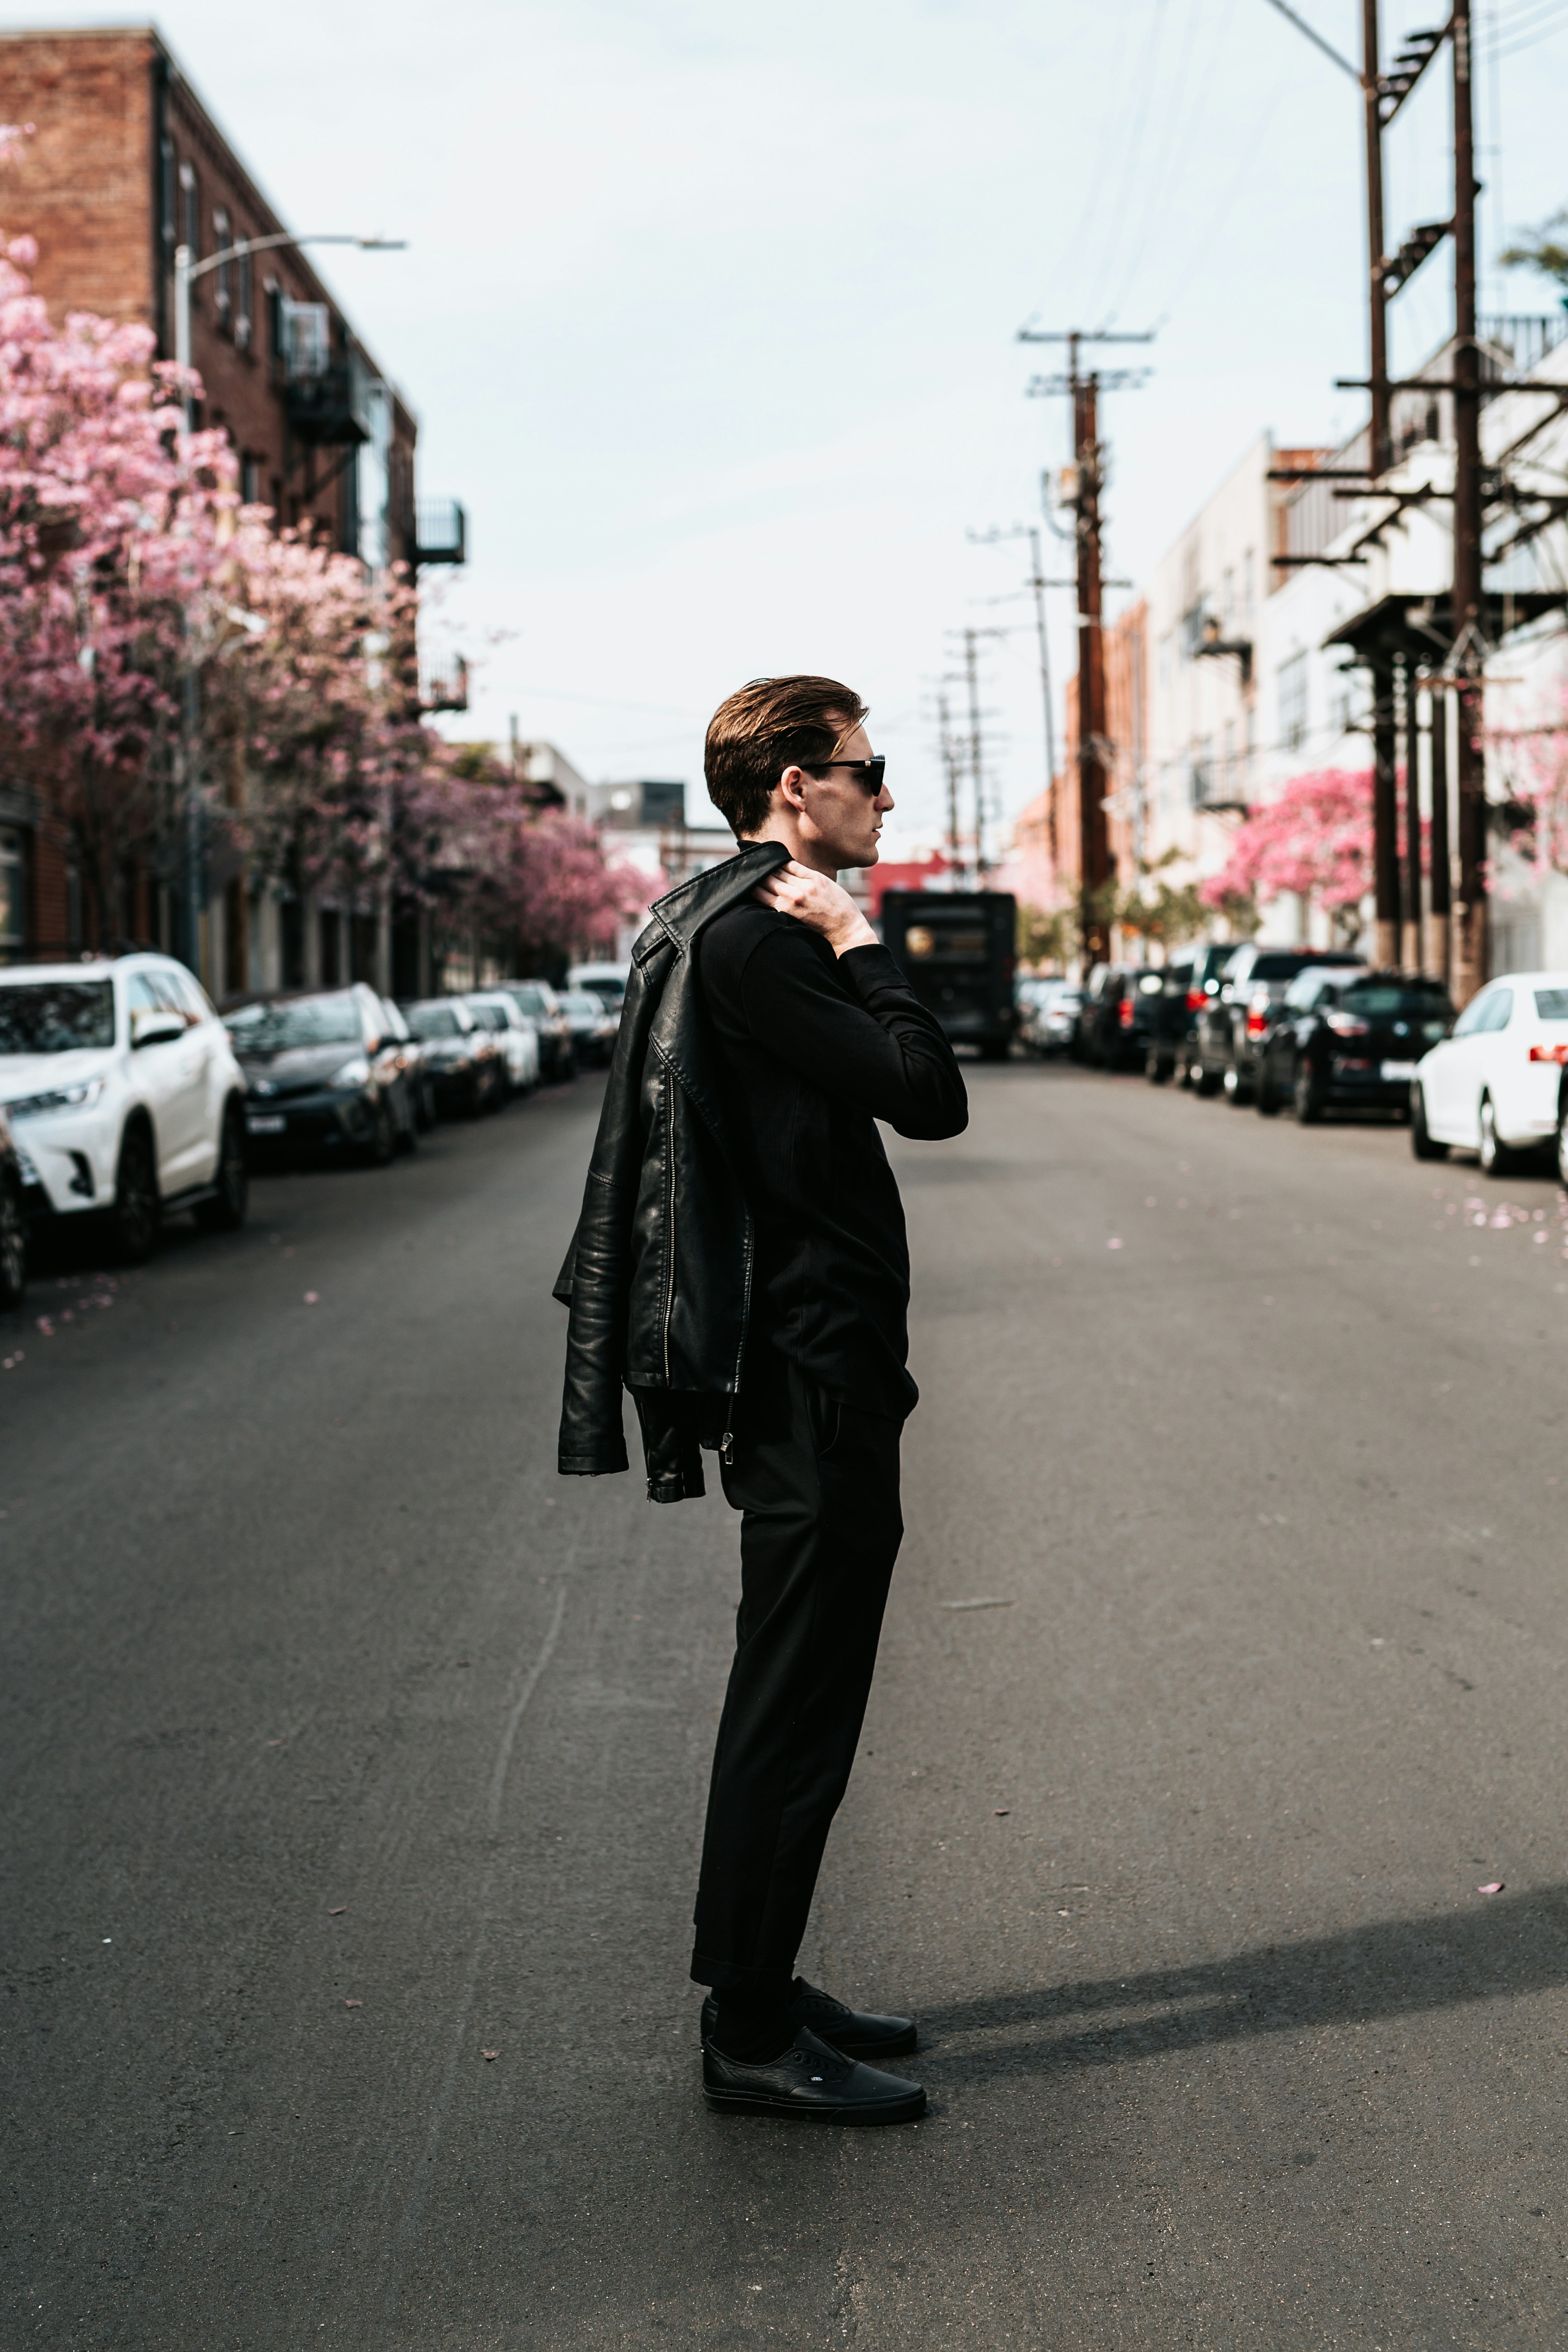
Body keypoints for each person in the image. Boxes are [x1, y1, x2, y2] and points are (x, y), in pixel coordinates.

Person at [556, 675, 967, 2122]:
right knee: (796, 1694)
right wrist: (866, 941)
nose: (886, 793)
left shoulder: (718, 917)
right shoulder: (771, 940)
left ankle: (764, 1979)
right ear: (795, 784)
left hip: (808, 1356)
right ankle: (744, 2023)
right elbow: (926, 1092)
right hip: (810, 1364)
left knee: (795, 1681)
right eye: (866, 768)